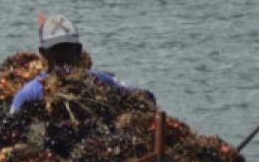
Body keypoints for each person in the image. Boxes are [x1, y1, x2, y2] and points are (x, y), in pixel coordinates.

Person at [9, 14, 155, 114]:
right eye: (56, 50)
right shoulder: (29, 94)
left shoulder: (98, 80)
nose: (63, 55)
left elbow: (143, 96)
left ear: (78, 50)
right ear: (44, 53)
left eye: (68, 48)